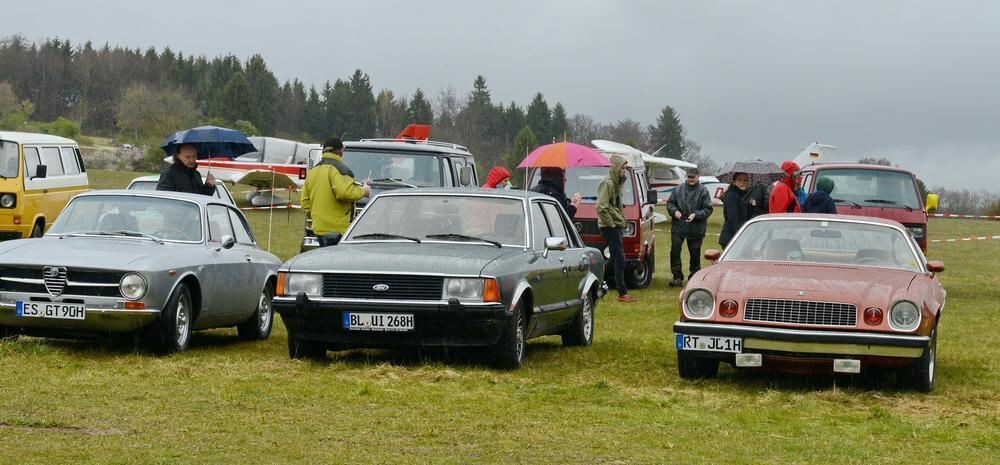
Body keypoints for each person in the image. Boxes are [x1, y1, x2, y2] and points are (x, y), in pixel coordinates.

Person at [300, 138, 371, 246]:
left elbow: (305, 203)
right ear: (341, 151)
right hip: (337, 230)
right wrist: (363, 191)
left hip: (318, 229)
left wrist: (318, 217)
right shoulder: (340, 169)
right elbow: (344, 193)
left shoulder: (313, 171)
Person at [596, 155, 637, 303]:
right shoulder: (608, 183)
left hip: (615, 225)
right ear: (616, 168)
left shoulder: (616, 182)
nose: (624, 171)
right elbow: (601, 207)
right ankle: (622, 292)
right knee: (620, 258)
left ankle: (594, 278)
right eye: (623, 168)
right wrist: (612, 224)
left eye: (625, 168)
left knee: (614, 259)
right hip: (609, 226)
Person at [667, 167, 714, 287]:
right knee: (675, 251)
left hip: (696, 227)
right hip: (678, 226)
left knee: (695, 253)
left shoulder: (703, 191)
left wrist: (696, 214)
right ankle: (677, 277)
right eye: (689, 177)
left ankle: (694, 276)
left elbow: (708, 209)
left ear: (698, 177)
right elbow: (670, 203)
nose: (690, 179)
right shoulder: (679, 189)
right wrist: (675, 211)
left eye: (693, 177)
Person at [718, 172, 751, 248]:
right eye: (739, 180)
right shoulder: (732, 195)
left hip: (734, 235)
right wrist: (738, 236)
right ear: (734, 182)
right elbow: (733, 219)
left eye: (745, 180)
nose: (742, 182)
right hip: (731, 237)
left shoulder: (740, 195)